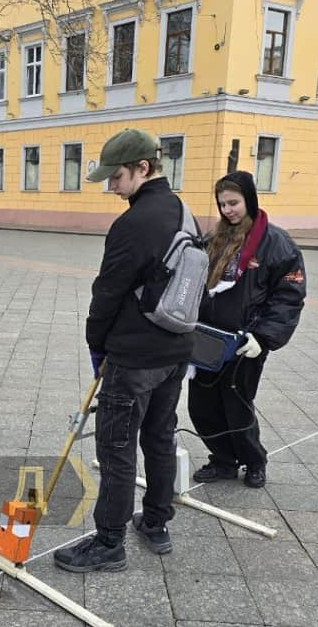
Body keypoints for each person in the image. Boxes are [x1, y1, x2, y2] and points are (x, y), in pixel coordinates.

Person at [53, 128, 193, 573]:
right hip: (175, 353)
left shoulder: (132, 224)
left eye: (116, 177)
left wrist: (97, 344)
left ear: (143, 169)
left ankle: (109, 542)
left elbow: (107, 292)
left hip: (132, 357)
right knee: (160, 439)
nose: (110, 186)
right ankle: (155, 522)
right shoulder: (184, 212)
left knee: (116, 449)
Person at [188, 170, 306, 489]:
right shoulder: (214, 239)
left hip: (245, 342)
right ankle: (223, 460)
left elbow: (289, 295)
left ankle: (254, 461)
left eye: (234, 202)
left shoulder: (276, 243)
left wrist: (264, 337)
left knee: (237, 406)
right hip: (207, 339)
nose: (228, 210)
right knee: (201, 406)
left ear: (250, 200)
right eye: (223, 204)